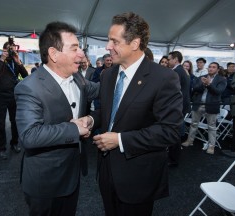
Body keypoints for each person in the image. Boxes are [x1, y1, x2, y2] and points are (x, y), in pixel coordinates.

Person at [90, 12, 183, 216]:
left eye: (114, 41)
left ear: (134, 43)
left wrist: (121, 140)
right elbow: (110, 112)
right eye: (108, 40)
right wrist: (90, 119)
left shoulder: (164, 78)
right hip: (106, 170)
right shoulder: (108, 75)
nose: (107, 46)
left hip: (138, 177)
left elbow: (170, 131)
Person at [14, 22, 99, 216]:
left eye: (81, 49)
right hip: (45, 182)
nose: (81, 55)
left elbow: (102, 89)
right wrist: (74, 130)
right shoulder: (30, 87)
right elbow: (30, 135)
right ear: (53, 54)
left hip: (72, 174)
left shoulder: (78, 78)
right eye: (75, 48)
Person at [0, 40, 28, 159]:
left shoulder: (15, 60)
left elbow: (26, 76)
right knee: (0, 123)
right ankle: (1, 148)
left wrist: (19, 63)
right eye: (10, 49)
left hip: (13, 95)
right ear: (4, 49)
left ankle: (14, 143)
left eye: (14, 49)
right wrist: (2, 59)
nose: (12, 51)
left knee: (15, 122)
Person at [182, 62, 227, 154]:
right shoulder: (201, 77)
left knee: (211, 127)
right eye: (210, 67)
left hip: (211, 105)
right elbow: (195, 88)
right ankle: (190, 141)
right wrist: (203, 84)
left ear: (218, 70)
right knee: (194, 124)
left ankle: (211, 146)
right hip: (199, 104)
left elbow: (218, 92)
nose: (211, 69)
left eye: (214, 67)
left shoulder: (222, 79)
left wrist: (209, 84)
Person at [167, 51, 191, 166]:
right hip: (180, 106)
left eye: (169, 59)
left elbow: (173, 91)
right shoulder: (182, 71)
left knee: (174, 133)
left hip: (177, 107)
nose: (168, 61)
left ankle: (173, 159)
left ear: (175, 59)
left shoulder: (177, 72)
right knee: (174, 133)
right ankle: (173, 157)